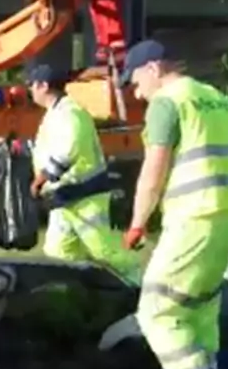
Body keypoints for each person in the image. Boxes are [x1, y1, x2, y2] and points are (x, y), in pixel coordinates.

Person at [119, 40, 228, 369]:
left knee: (157, 311)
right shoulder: (218, 100)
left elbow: (154, 168)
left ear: (153, 68)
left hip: (192, 218)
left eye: (135, 80)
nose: (135, 92)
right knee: (199, 309)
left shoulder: (168, 102)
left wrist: (138, 221)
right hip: (223, 217)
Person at [26, 63, 142, 284]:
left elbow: (68, 150)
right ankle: (79, 289)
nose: (30, 90)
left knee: (103, 250)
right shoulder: (57, 112)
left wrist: (41, 179)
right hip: (65, 197)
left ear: (44, 86)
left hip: (86, 196)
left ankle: (137, 282)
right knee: (58, 251)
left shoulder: (70, 112)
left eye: (32, 85)